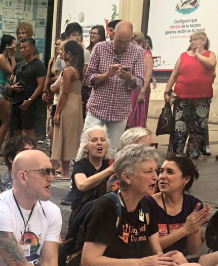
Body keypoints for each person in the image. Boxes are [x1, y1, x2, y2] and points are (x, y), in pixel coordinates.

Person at [75, 144, 205, 266]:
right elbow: (88, 261)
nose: (156, 177)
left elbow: (155, 250)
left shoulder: (147, 204)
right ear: (127, 177)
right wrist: (140, 263)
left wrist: (164, 260)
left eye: (156, 170)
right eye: (148, 172)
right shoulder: (107, 207)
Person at [81, 21, 145, 155]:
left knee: (112, 151)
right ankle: (82, 175)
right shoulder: (100, 48)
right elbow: (88, 78)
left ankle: (105, 176)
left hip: (120, 110)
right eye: (119, 41)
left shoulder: (138, 52)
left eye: (126, 42)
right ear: (113, 34)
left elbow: (139, 82)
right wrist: (106, 75)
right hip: (98, 107)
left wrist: (129, 78)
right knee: (87, 147)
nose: (122, 45)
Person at [164, 31, 217, 159]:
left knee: (199, 125)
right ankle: (177, 150)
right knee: (179, 125)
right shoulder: (183, 56)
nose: (192, 42)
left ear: (203, 41)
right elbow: (174, 75)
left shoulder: (210, 55)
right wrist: (167, 90)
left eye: (195, 39)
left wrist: (198, 54)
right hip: (182, 95)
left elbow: (211, 64)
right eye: (191, 39)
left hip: (202, 96)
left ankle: (194, 151)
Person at [51, 41, 85, 178]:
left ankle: (65, 171)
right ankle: (66, 169)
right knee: (71, 136)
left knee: (63, 135)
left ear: (69, 54)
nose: (61, 53)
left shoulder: (68, 71)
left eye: (64, 51)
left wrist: (57, 112)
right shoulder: (78, 69)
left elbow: (63, 93)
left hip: (67, 103)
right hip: (76, 104)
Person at [67, 126, 113, 214]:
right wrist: (110, 170)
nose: (99, 143)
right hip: (82, 213)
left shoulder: (110, 164)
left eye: (102, 140)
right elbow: (82, 185)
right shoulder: (80, 164)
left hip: (105, 212)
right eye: (94, 140)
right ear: (86, 147)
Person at [10, 38, 46, 145]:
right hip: (16, 101)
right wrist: (12, 87)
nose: (22, 50)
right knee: (16, 130)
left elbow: (40, 85)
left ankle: (33, 153)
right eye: (21, 48)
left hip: (28, 102)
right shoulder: (19, 65)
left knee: (29, 129)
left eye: (25, 47)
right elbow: (11, 80)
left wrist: (30, 100)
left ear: (32, 48)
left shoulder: (38, 65)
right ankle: (18, 151)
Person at [0, 134, 37, 202]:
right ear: (11, 159)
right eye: (25, 152)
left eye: (34, 151)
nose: (32, 156)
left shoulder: (38, 181)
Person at [126, 32, 153, 130]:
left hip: (141, 88)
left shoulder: (146, 55)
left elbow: (148, 74)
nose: (131, 46)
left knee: (138, 114)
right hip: (132, 87)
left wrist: (142, 92)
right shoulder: (132, 55)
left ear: (140, 43)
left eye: (133, 43)